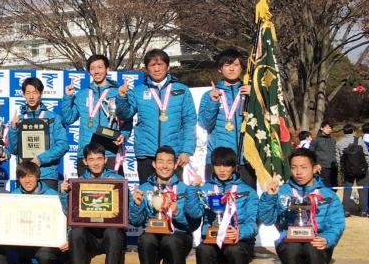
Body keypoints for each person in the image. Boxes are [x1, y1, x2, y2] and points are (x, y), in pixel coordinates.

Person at [259, 148, 345, 264]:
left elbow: (336, 223)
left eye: (304, 167)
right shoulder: (282, 191)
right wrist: (269, 196)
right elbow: (267, 219)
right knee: (292, 249)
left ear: (315, 168)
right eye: (294, 167)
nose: (298, 172)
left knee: (312, 249)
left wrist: (327, 239)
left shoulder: (328, 194)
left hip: (317, 241)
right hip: (289, 240)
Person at [129, 146, 202, 264]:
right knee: (145, 239)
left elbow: (192, 224)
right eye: (160, 161)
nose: (164, 166)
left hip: (179, 235)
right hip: (154, 235)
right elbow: (135, 222)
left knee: (171, 240)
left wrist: (177, 213)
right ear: (154, 164)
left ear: (176, 165)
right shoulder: (143, 188)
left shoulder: (185, 189)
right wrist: (136, 205)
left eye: (169, 162)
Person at [116, 49, 196, 183]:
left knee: (172, 196)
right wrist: (122, 98)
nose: (157, 69)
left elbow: (189, 122)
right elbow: (126, 114)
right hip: (146, 153)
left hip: (173, 153)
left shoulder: (182, 90)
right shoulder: (139, 90)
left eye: (160, 64)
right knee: (147, 195)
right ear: (146, 69)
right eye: (153, 65)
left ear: (168, 66)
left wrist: (186, 151)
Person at [193, 147, 257, 264]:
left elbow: (252, 224)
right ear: (212, 166)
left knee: (233, 250)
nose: (222, 170)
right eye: (218, 165)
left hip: (237, 240)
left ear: (235, 167)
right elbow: (194, 214)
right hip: (213, 239)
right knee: (203, 249)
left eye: (227, 165)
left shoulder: (248, 191)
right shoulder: (205, 190)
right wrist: (192, 191)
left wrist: (238, 232)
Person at [62, 143, 126, 264]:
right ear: (84, 161)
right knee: (76, 232)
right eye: (91, 159)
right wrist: (65, 194)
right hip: (90, 236)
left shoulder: (117, 179)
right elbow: (70, 212)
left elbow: (125, 210)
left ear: (105, 160)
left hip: (109, 235)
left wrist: (117, 189)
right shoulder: (77, 183)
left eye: (99, 158)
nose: (95, 163)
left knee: (113, 231)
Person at [0, 160, 68, 264]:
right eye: (22, 177)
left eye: (30, 176)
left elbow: (66, 218)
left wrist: (67, 238)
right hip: (23, 237)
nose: (27, 181)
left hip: (45, 240)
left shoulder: (53, 195)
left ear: (37, 177)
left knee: (45, 255)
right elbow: (3, 218)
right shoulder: (13, 195)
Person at [60, 54, 127, 174]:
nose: (96, 71)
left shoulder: (118, 92)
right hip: (86, 154)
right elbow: (68, 119)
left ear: (107, 69)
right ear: (89, 72)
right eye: (92, 68)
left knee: (113, 191)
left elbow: (128, 118)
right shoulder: (82, 94)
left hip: (110, 152)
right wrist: (68, 97)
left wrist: (124, 135)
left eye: (100, 67)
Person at [197, 48, 254, 187]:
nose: (232, 69)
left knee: (246, 202)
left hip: (246, 159)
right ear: (220, 69)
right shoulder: (210, 95)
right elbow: (205, 124)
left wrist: (255, 98)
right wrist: (213, 102)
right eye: (227, 65)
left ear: (242, 68)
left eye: (236, 65)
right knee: (217, 202)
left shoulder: (250, 93)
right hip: (218, 160)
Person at [7, 77, 69, 190]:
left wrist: (40, 159)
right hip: (24, 174)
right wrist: (13, 128)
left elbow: (63, 145)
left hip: (47, 174)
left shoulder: (54, 118)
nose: (31, 96)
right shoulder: (19, 119)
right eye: (28, 93)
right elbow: (13, 150)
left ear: (41, 93)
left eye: (35, 92)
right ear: (23, 94)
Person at [336, 123, 369, 216]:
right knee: (363, 190)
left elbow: (338, 159)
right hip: (362, 169)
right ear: (353, 131)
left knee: (347, 189)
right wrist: (366, 166)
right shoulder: (359, 140)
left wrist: (341, 170)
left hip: (347, 170)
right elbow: (366, 154)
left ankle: (346, 210)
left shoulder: (339, 143)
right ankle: (363, 211)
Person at [310, 122, 337, 189]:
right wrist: (316, 164)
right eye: (327, 128)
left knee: (334, 186)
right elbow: (310, 153)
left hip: (333, 166)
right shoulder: (316, 140)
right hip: (322, 167)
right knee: (324, 186)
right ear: (322, 128)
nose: (329, 129)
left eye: (330, 128)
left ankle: (333, 199)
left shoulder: (333, 139)